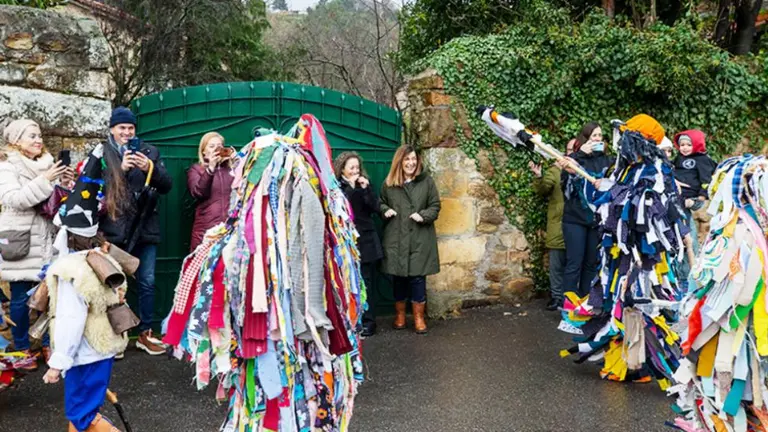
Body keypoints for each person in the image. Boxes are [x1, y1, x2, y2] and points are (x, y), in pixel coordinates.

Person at [559, 114, 686, 385]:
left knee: (637, 303)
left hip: (642, 256)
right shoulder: (626, 168)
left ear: (641, 142)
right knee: (617, 302)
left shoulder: (655, 171)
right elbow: (605, 199)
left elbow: (642, 208)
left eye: (628, 138)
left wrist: (611, 192)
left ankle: (641, 365)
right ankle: (624, 361)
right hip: (619, 251)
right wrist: (585, 178)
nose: (621, 144)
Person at [43, 142, 131, 432]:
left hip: (83, 353)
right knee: (85, 410)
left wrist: (58, 363)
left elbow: (71, 319)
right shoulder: (100, 259)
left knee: (81, 413)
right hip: (102, 350)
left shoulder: (71, 272)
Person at [0, 119, 74, 370]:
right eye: (31, 136)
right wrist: (45, 179)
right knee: (20, 297)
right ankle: (21, 348)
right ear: (16, 141)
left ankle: (46, 343)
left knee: (49, 293)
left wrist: (63, 184)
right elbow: (14, 199)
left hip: (47, 237)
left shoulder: (48, 164)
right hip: (21, 238)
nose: (38, 140)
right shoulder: (7, 166)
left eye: (39, 135)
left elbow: (53, 202)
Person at [98, 106, 172, 356]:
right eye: (122, 128)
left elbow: (166, 185)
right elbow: (97, 189)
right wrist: (121, 171)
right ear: (112, 129)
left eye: (131, 128)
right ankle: (117, 336)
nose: (127, 133)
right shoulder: (103, 153)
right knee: (113, 284)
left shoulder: (150, 151)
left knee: (147, 281)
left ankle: (145, 334)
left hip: (145, 227)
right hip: (114, 229)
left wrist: (150, 167)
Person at [380, 145, 440, 334]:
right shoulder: (389, 183)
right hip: (396, 237)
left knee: (417, 278)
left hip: (419, 237)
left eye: (413, 159)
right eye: (407, 159)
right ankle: (400, 316)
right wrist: (384, 210)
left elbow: (435, 205)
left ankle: (419, 318)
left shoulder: (426, 181)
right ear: (399, 162)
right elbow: (380, 202)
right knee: (398, 278)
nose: (411, 163)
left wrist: (423, 215)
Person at [558, 122, 612, 298]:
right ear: (585, 139)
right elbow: (565, 186)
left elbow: (616, 184)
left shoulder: (607, 161)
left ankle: (586, 301)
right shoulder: (574, 159)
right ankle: (568, 304)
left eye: (600, 136)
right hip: (574, 219)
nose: (597, 139)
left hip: (596, 220)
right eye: (593, 136)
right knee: (574, 262)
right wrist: (580, 154)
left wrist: (604, 183)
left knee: (591, 263)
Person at [335, 151, 384, 337]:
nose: (356, 171)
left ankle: (369, 321)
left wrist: (365, 189)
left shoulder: (364, 186)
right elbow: (348, 209)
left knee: (367, 281)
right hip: (347, 242)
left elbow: (375, 207)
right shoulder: (338, 188)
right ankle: (351, 320)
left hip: (366, 241)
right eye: (351, 168)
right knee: (347, 281)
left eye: (357, 167)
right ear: (342, 170)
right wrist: (354, 188)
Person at [529, 138, 575, 311]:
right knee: (556, 264)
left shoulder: (584, 170)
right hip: (559, 225)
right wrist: (539, 176)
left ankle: (572, 297)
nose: (572, 153)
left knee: (575, 264)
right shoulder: (555, 171)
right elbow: (543, 189)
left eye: (575, 149)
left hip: (579, 224)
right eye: (569, 150)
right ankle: (557, 296)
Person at [187, 132, 235, 252]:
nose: (216, 150)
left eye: (219, 146)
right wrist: (210, 169)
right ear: (204, 151)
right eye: (212, 146)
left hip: (228, 229)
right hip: (205, 231)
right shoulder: (196, 169)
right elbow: (198, 193)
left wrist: (238, 163)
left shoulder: (232, 170)